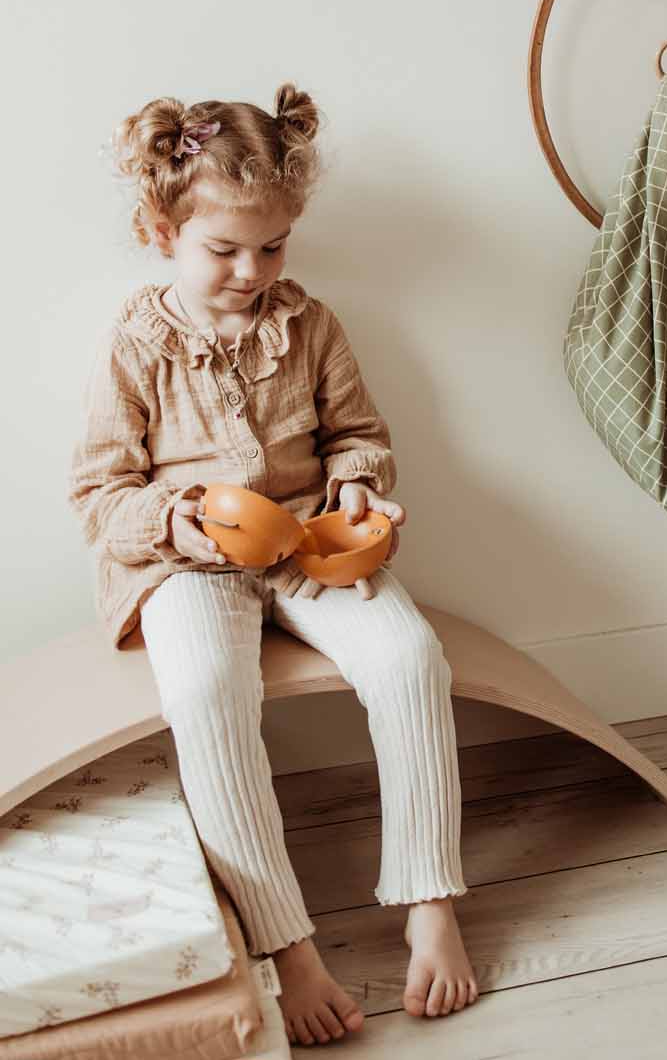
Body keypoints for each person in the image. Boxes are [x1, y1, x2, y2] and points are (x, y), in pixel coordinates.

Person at [67, 84, 478, 1047]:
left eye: (274, 247)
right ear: (160, 231)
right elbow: (98, 495)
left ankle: (429, 900)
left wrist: (359, 490)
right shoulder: (135, 346)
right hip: (187, 565)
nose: (251, 272)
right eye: (224, 250)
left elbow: (358, 436)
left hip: (306, 542)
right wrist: (177, 522)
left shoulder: (313, 326)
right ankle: (285, 945)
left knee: (410, 657)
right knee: (208, 691)